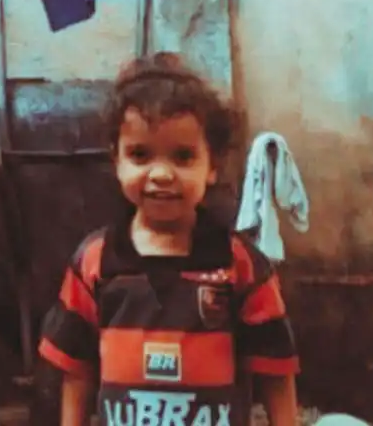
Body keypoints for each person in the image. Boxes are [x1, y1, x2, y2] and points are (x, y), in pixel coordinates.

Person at [38, 52, 299, 426]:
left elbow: (276, 372)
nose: (161, 174)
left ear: (212, 166)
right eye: (140, 155)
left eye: (183, 156)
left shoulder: (239, 264)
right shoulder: (95, 262)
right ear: (116, 161)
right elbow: (76, 372)